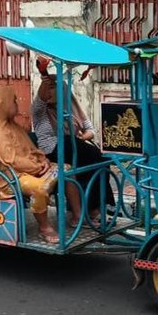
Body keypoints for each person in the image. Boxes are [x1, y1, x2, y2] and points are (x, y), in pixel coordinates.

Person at [0, 85, 81, 244]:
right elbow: (11, 160)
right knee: (39, 188)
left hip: (25, 169)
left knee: (67, 170)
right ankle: (44, 228)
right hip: (4, 176)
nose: (16, 103)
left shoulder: (11, 126)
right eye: (13, 100)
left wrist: (43, 160)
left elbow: (30, 149)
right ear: (0, 103)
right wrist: (37, 167)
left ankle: (78, 216)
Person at [31, 72, 114, 225]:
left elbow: (90, 129)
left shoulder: (70, 107)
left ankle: (94, 208)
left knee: (101, 161)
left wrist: (84, 137)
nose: (50, 92)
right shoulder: (40, 110)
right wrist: (45, 80)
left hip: (75, 148)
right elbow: (42, 97)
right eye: (49, 88)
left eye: (54, 88)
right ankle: (89, 211)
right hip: (52, 151)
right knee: (87, 152)